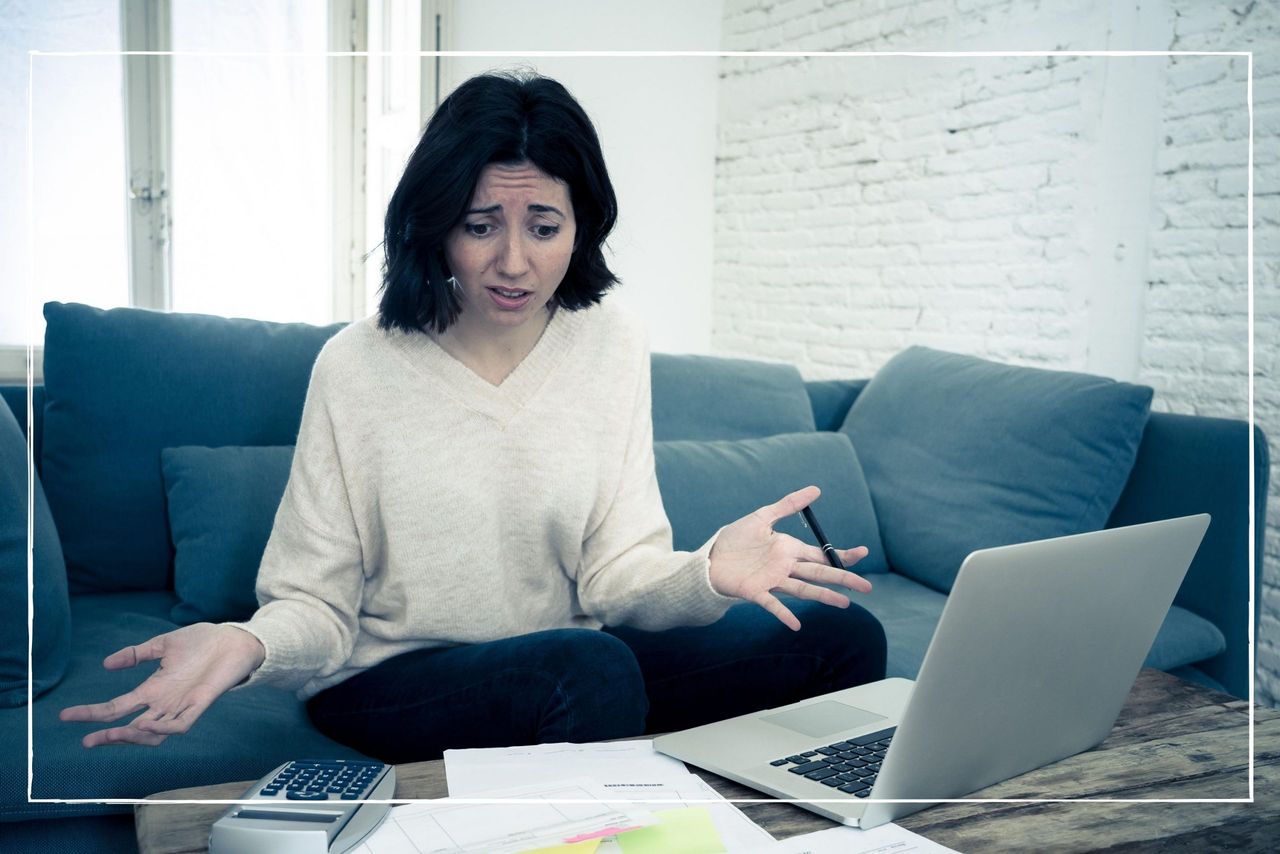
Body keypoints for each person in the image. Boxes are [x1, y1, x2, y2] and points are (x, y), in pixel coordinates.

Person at [61, 71, 886, 762]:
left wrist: (707, 570)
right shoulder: (358, 365)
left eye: (544, 227)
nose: (514, 262)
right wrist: (249, 643)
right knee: (587, 671)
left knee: (841, 635)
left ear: (582, 229)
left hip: (575, 655)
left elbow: (615, 576)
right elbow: (316, 603)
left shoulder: (611, 343)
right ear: (437, 228)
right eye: (480, 226)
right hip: (392, 682)